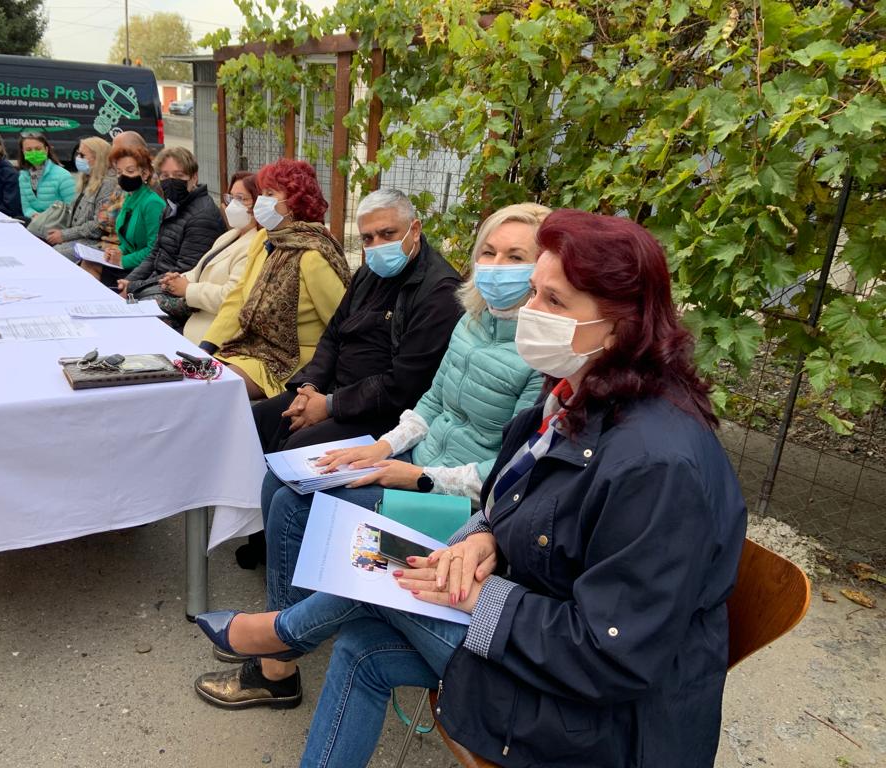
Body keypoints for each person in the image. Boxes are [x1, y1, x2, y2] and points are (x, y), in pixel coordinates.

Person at [193, 209, 748, 767]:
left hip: (600, 720)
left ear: (622, 324)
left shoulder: (656, 464)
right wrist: (484, 536)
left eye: (554, 301)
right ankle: (285, 637)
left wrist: (479, 595)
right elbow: (520, 493)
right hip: (542, 627)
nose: (529, 310)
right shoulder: (573, 395)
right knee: (363, 642)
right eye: (534, 291)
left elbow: (610, 654)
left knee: (381, 567)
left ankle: (284, 634)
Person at [194, 202, 550, 709]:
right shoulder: (472, 319)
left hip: (460, 502)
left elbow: (511, 472)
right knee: (285, 478)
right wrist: (381, 447)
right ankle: (288, 623)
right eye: (488, 252)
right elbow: (429, 401)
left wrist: (417, 475)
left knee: (297, 504)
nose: (496, 268)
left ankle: (277, 661)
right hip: (410, 458)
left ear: (543, 269)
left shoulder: (539, 351)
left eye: (515, 256)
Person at [250, 188, 463, 454]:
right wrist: (309, 388)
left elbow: (405, 384)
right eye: (368, 238)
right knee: (260, 419)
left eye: (388, 234)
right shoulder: (369, 273)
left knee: (297, 448)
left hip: (384, 411)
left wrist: (330, 405)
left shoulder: (439, 292)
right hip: (333, 390)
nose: (377, 245)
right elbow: (332, 335)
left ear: (415, 230)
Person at [199, 159, 352, 400]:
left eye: (270, 194)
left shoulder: (312, 254)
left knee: (214, 390)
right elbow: (238, 298)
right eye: (262, 193)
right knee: (197, 379)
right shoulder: (264, 239)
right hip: (253, 349)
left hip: (294, 361)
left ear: (294, 201)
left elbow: (339, 322)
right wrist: (208, 345)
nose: (261, 201)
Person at [115, 147, 226, 301]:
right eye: (165, 176)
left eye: (179, 175)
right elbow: (155, 253)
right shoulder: (172, 206)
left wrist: (134, 287)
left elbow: (184, 271)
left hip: (180, 293)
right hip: (158, 282)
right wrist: (129, 281)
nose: (171, 181)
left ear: (194, 178)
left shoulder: (202, 216)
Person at [159, 170, 259, 341]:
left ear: (258, 203)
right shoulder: (230, 235)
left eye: (241, 199)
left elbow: (232, 296)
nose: (233, 205)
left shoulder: (255, 245)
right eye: (231, 198)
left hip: (215, 333)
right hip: (197, 320)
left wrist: (187, 289)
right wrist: (177, 279)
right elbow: (200, 269)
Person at [85, 144, 165, 287]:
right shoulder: (130, 196)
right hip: (130, 262)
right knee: (87, 263)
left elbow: (154, 250)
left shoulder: (152, 203)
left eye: (130, 171)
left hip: (143, 269)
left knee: (89, 267)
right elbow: (127, 242)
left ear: (145, 174)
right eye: (119, 172)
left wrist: (122, 260)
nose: (123, 176)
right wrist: (116, 252)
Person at [46, 136, 117, 260]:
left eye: (82, 155)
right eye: (78, 154)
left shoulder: (108, 184)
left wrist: (65, 235)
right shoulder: (87, 177)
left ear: (98, 158)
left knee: (55, 254)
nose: (78, 158)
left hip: (95, 242)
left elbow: (98, 226)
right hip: (80, 236)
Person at [17, 131, 75, 220]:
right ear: (23, 152)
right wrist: (35, 216)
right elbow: (26, 208)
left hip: (57, 223)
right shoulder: (23, 177)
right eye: (28, 150)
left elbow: (71, 209)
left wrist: (45, 219)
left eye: (38, 149)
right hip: (35, 222)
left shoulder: (63, 176)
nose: (34, 152)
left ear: (46, 150)